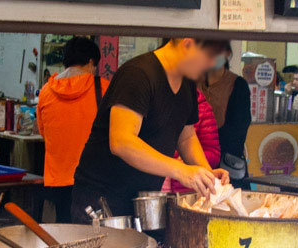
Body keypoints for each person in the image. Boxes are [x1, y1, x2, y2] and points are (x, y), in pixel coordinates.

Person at [72, 38, 230, 221]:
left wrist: (206, 174)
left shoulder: (187, 84)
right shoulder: (138, 74)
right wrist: (181, 170)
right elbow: (121, 142)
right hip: (102, 200)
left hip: (141, 201)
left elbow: (186, 137)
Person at [36, 37, 108, 223]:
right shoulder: (102, 88)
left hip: (58, 180)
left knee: (64, 232)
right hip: (92, 178)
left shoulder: (46, 92)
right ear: (91, 62)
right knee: (92, 236)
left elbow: (44, 133)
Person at [197, 41, 252, 184]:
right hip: (194, 165)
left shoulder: (237, 85)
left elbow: (238, 131)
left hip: (227, 167)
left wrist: (207, 150)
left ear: (227, 54)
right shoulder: (191, 83)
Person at [167, 90, 221, 193]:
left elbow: (186, 139)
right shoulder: (151, 92)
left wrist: (208, 172)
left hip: (184, 187)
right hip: (151, 183)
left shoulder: (199, 104)